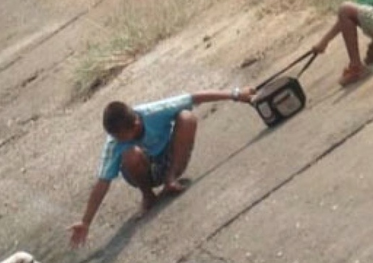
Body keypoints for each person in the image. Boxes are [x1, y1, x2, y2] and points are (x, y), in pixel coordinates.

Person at [69, 87, 255, 248]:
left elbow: (194, 98)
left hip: (170, 159)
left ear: (136, 124)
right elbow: (102, 183)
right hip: (143, 172)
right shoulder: (114, 144)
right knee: (130, 154)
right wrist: (86, 222)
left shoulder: (153, 111)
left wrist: (237, 94)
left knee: (187, 117)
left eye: (122, 137)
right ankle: (148, 195)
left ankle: (171, 179)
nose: (117, 141)